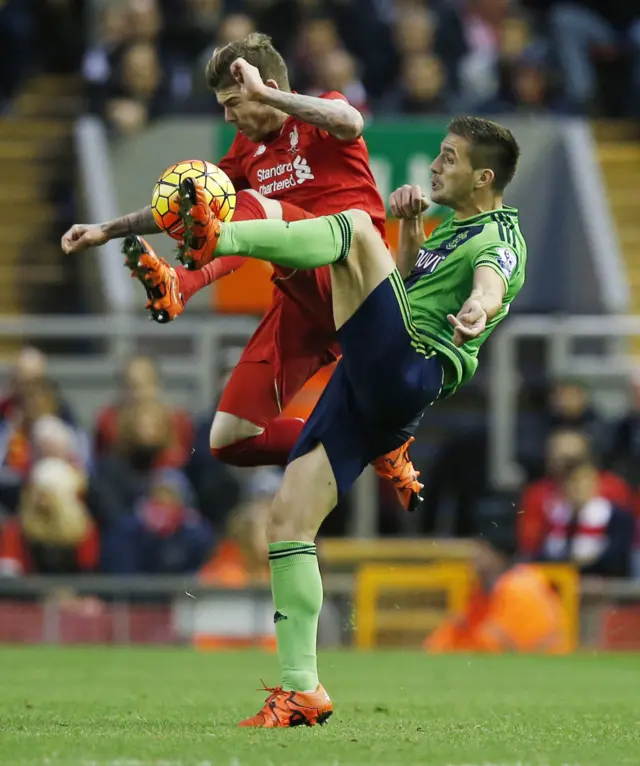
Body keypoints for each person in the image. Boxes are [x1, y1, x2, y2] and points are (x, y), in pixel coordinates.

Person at [158, 109, 525, 727]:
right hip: (370, 375)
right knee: (288, 520)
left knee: (356, 228)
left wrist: (478, 311)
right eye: (439, 153)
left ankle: (217, 237)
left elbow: (492, 283)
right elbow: (401, 291)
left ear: (484, 177)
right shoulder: (447, 229)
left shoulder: (500, 237)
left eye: (450, 159)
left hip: (410, 367)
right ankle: (302, 690)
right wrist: (408, 233)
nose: (436, 165)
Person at [60, 32, 422, 511]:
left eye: (234, 103)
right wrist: (108, 228)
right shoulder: (246, 151)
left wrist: (267, 94)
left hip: (355, 279)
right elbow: (181, 206)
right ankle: (371, 442)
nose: (229, 116)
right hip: (305, 300)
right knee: (230, 438)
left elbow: (351, 120)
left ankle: (179, 284)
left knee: (245, 204)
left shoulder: (321, 113)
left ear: (265, 85)